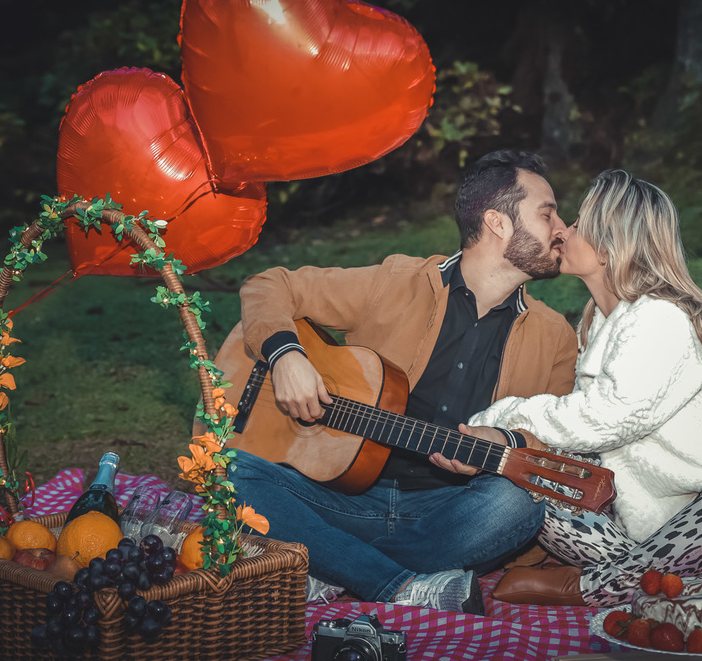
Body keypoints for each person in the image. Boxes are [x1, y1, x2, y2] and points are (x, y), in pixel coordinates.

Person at [226, 150, 579, 613]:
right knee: (230, 470)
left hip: (442, 513)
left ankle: (329, 563)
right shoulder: (396, 282)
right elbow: (269, 284)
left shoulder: (554, 335)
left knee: (519, 503)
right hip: (335, 495)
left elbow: (556, 446)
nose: (562, 228)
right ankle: (401, 585)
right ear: (497, 222)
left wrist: (508, 439)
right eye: (547, 212)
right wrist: (286, 355)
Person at [458, 169, 702, 607]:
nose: (563, 231)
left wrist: (504, 415)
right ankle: (674, 584)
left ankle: (592, 587)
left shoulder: (662, 317)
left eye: (576, 224)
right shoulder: (597, 322)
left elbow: (607, 419)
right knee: (531, 481)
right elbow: (581, 438)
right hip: (646, 534)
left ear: (609, 248)